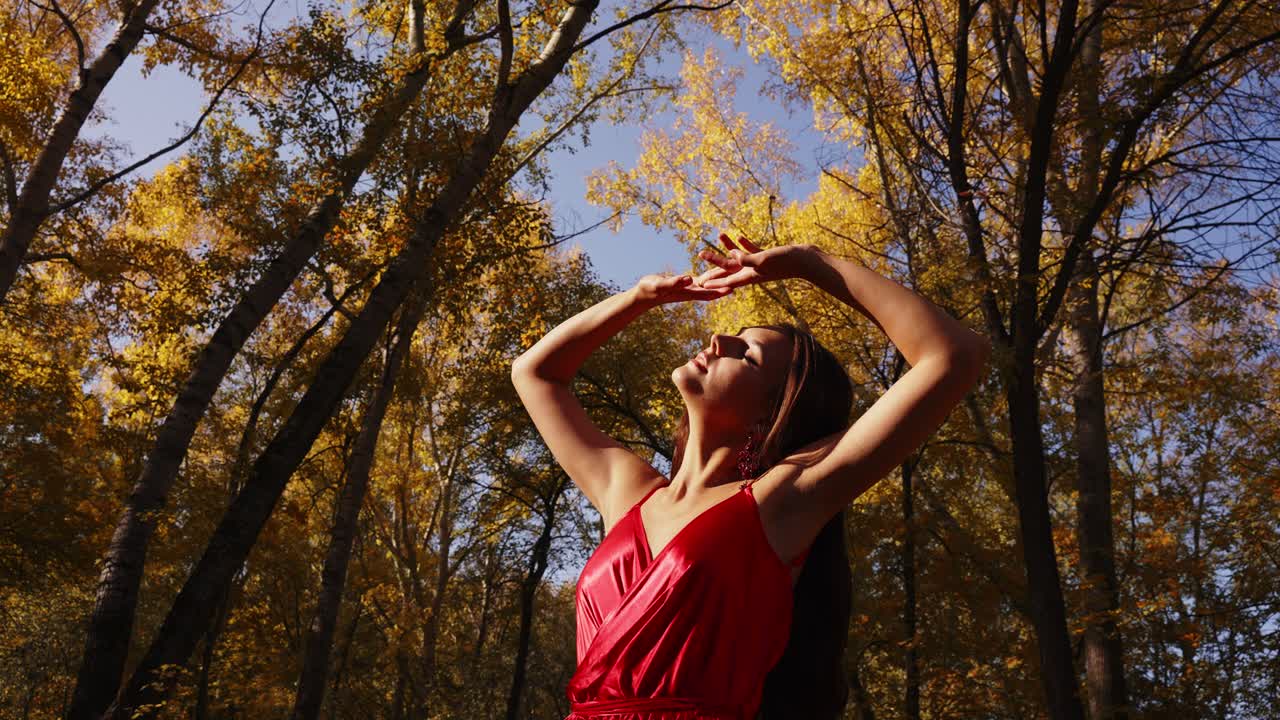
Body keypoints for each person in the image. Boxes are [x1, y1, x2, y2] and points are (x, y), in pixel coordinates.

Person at [510, 234, 990, 719]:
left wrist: (813, 262)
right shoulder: (627, 493)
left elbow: (953, 355)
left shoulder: (785, 499)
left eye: (748, 355)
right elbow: (534, 373)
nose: (720, 340)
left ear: (771, 415)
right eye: (736, 336)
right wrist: (639, 299)